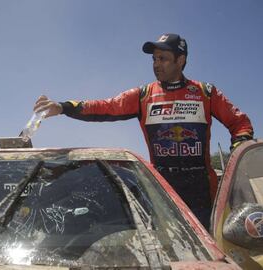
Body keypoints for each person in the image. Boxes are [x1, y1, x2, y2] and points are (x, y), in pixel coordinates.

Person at [33, 33, 254, 229]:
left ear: (181, 60)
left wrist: (239, 148)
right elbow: (105, 106)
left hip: (203, 189)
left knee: (210, 250)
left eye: (163, 59)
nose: (156, 64)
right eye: (154, 59)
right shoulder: (143, 95)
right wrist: (63, 107)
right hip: (162, 185)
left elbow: (240, 123)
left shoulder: (205, 93)